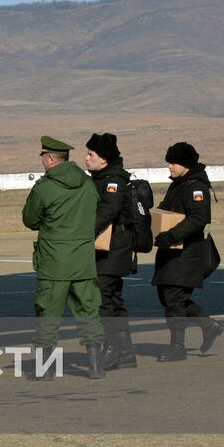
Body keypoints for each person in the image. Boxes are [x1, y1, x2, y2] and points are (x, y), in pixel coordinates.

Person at [21, 137, 105, 379]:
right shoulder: (88, 184)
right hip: (83, 261)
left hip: (54, 262)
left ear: (49, 159)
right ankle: (95, 366)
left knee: (48, 313)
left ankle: (45, 369)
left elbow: (30, 219)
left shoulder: (45, 187)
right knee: (89, 311)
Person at [154, 142, 224, 361]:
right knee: (168, 296)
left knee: (174, 299)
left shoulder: (196, 187)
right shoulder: (178, 184)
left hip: (187, 252)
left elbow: (198, 218)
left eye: (173, 162)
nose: (169, 167)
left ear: (185, 164)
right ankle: (209, 325)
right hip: (171, 251)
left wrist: (172, 235)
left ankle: (178, 347)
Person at [84, 132, 137, 369]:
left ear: (103, 159)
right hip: (106, 249)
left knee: (104, 299)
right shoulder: (100, 177)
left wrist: (85, 232)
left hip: (113, 248)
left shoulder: (113, 180)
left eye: (90, 154)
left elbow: (109, 210)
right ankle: (126, 352)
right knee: (113, 300)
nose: (86, 158)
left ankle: (113, 348)